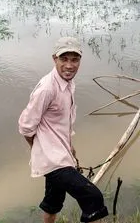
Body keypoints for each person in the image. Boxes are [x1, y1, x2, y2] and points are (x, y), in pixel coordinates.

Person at [18, 37, 108, 223]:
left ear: (80, 61)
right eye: (64, 59)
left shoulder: (67, 83)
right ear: (54, 59)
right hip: (53, 160)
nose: (69, 65)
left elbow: (60, 122)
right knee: (93, 198)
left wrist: (70, 146)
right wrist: (39, 148)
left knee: (53, 202)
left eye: (74, 59)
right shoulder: (47, 89)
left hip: (61, 152)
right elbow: (26, 126)